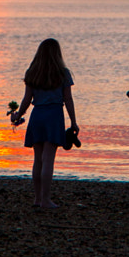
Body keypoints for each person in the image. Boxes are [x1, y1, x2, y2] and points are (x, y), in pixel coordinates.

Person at [11, 38, 79, 209]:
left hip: (37, 115)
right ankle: (46, 199)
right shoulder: (63, 73)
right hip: (54, 116)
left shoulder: (32, 72)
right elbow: (68, 99)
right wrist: (73, 121)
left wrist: (18, 115)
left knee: (38, 160)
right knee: (48, 160)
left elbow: (27, 99)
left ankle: (38, 198)